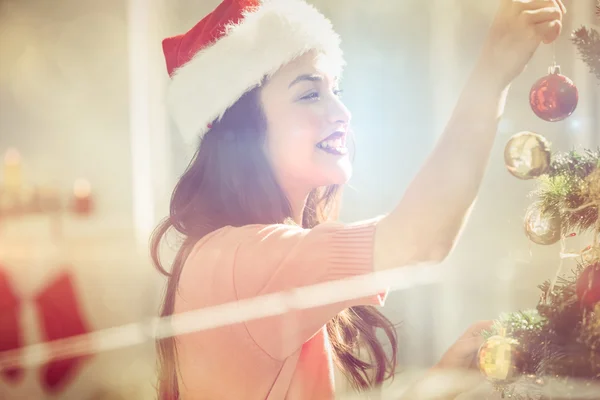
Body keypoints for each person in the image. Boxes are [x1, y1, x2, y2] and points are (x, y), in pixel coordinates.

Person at [151, 0, 566, 398]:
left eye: (336, 90)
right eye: (309, 94)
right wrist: (493, 71)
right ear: (242, 132)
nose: (342, 112)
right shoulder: (238, 262)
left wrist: (446, 379)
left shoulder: (240, 255)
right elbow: (422, 240)